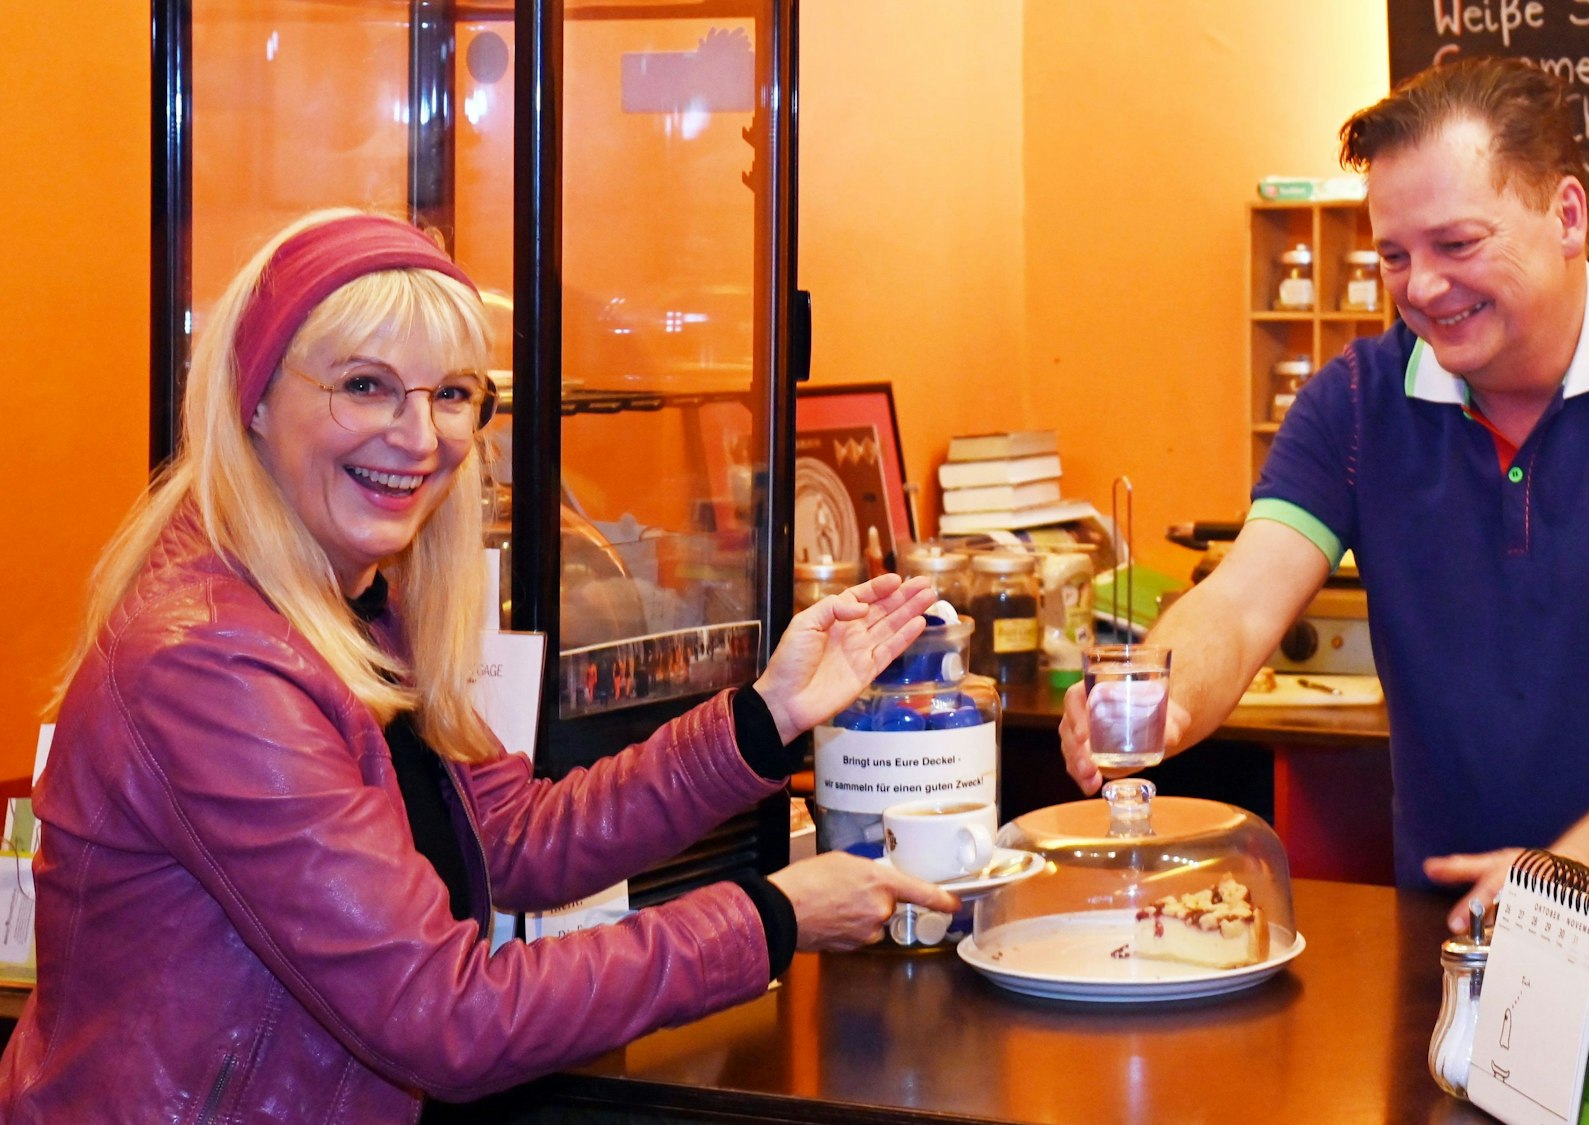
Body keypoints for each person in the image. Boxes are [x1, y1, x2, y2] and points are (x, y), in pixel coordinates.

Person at [0, 209, 958, 1122]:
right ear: (253, 400)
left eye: (451, 394)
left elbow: (513, 837)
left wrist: (763, 715)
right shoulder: (211, 663)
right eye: (366, 385)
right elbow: (445, 1016)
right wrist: (770, 917)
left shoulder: (353, 599)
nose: (419, 438)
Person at [1061, 57, 1589, 932]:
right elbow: (1239, 599)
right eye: (1395, 255)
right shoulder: (1356, 402)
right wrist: (1162, 695)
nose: (1421, 287)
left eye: (1457, 245)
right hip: (1458, 942)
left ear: (1567, 216)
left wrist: (1566, 875)